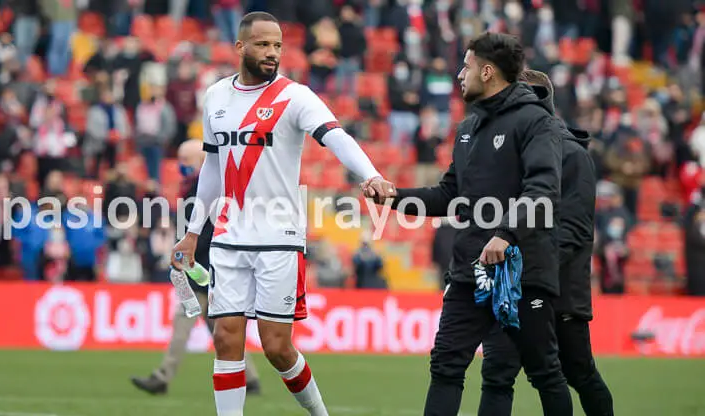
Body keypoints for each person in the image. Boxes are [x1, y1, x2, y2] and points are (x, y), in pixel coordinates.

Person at [172, 12, 391, 416]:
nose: (272, 52)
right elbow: (213, 168)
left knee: (276, 347)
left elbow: (336, 137)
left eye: (277, 45)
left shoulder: (295, 96)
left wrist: (371, 174)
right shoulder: (216, 97)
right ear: (240, 47)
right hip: (229, 235)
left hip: (278, 237)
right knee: (226, 338)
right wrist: (192, 231)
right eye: (262, 44)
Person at [365, 32, 573, 415]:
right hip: (470, 270)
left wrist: (505, 234)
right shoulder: (468, 129)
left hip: (523, 273)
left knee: (531, 373)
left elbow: (543, 189)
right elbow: (449, 195)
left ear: (487, 72)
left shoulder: (536, 122)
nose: (460, 74)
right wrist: (394, 197)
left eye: (467, 66)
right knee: (445, 363)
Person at [478, 69, 614, 416]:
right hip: (515, 285)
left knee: (576, 373)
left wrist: (525, 261)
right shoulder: (517, 149)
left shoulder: (572, 155)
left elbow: (575, 229)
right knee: (499, 372)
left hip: (559, 288)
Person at [130, 140, 262, 395]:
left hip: (200, 270)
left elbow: (207, 232)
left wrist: (184, 255)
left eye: (186, 159)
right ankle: (251, 378)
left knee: (185, 322)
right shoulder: (197, 189)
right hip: (203, 269)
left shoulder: (203, 191)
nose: (181, 165)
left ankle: (162, 377)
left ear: (201, 160)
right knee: (221, 329)